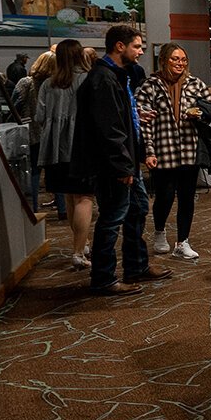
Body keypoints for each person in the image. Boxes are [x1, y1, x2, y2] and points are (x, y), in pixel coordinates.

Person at [72, 25, 173, 295]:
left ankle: (136, 265)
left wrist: (136, 116)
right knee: (113, 217)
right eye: (137, 47)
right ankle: (103, 278)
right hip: (113, 165)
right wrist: (122, 166)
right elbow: (108, 129)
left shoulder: (116, 76)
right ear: (120, 46)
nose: (141, 52)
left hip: (125, 160)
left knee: (137, 208)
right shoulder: (103, 79)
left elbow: (118, 118)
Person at [135, 43, 211, 260]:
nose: (180, 64)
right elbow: (144, 123)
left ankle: (183, 241)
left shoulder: (195, 84)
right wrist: (149, 152)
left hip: (190, 149)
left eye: (183, 60)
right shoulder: (150, 86)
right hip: (163, 149)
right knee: (165, 195)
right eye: (175, 59)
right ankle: (160, 232)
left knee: (188, 197)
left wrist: (198, 114)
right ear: (163, 60)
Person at [36, 39, 94, 266]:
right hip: (81, 146)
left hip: (54, 150)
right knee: (84, 198)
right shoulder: (88, 80)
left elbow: (40, 117)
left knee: (70, 197)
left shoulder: (48, 84)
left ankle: (81, 243)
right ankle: (79, 251)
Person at [11, 51, 55, 212]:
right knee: (56, 171)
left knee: (34, 172)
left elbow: (14, 104)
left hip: (31, 132)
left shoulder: (26, 82)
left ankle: (33, 207)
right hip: (52, 133)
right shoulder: (58, 84)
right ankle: (62, 208)